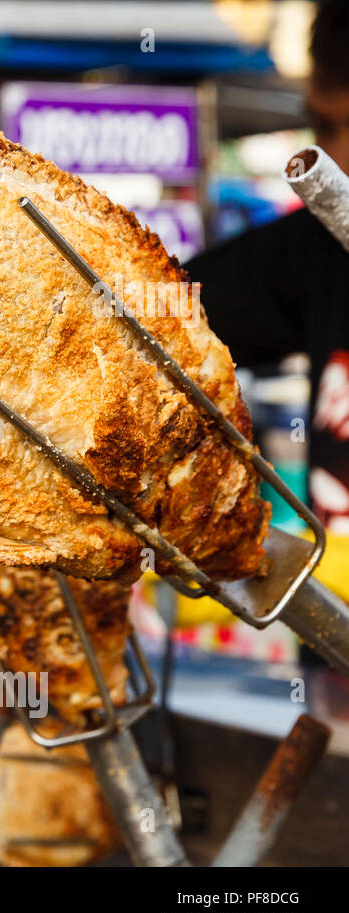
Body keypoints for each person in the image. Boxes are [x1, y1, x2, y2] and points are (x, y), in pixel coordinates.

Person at [187, 0, 349, 532]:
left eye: (330, 125)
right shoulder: (318, 246)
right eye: (319, 124)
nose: (328, 154)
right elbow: (166, 313)